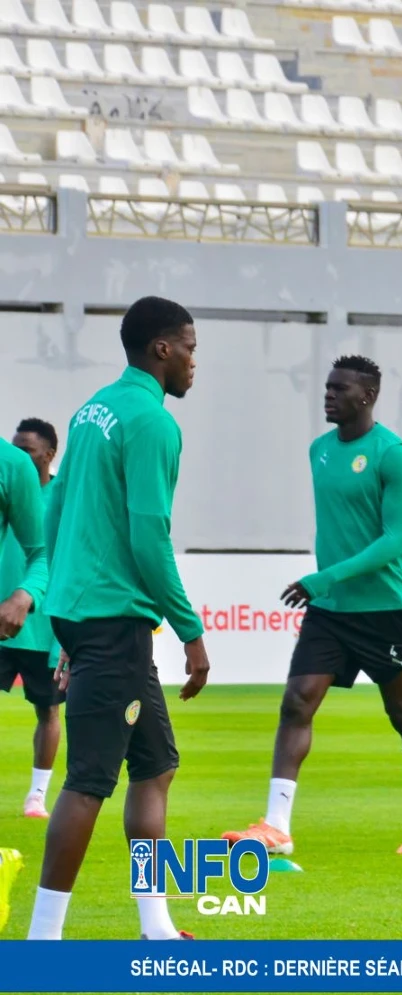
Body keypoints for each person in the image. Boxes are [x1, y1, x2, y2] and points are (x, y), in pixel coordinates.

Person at [27, 296, 210, 941]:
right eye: (189, 345)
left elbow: (55, 513)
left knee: (155, 766)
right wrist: (189, 629)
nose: (195, 359)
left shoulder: (91, 410)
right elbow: (149, 537)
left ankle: (155, 923)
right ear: (162, 349)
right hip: (115, 622)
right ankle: (42, 940)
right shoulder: (153, 422)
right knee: (87, 783)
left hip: (85, 615)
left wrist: (61, 620)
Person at [222, 356, 402, 857]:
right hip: (331, 610)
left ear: (367, 396)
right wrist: (328, 586)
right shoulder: (318, 450)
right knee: (297, 701)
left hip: (387, 607)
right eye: (326, 388)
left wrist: (324, 576)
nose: (328, 396)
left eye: (339, 389)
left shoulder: (393, 455)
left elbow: (393, 541)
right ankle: (277, 826)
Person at [1, 419, 63, 819]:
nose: (20, 456)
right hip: (2, 621)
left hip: (44, 628)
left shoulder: (66, 494)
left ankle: (37, 795)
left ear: (49, 454)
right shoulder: (7, 475)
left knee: (48, 710)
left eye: (29, 450)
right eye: (16, 448)